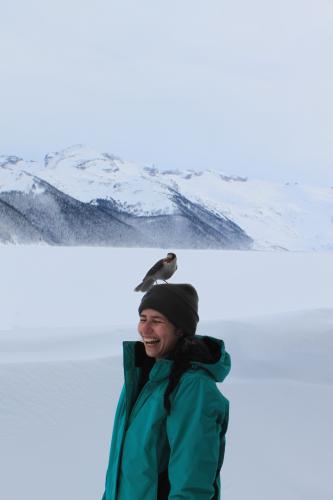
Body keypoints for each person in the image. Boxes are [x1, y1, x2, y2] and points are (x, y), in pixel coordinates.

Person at [101, 283, 231, 500]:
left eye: (157, 321)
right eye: (143, 319)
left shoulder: (193, 388)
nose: (145, 329)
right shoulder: (142, 377)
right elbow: (123, 472)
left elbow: (192, 486)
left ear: (179, 329)